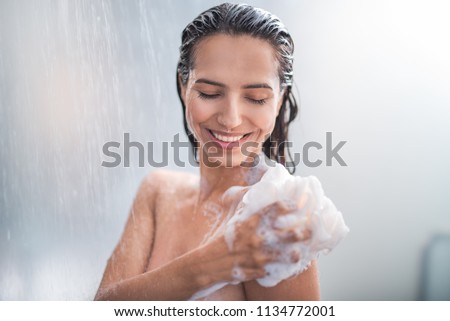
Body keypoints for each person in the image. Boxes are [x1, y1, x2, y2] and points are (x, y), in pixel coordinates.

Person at [95, 3, 320, 301]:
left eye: (256, 98)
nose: (231, 118)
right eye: (210, 93)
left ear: (279, 101)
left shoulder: (275, 222)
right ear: (183, 84)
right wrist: (217, 262)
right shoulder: (158, 193)